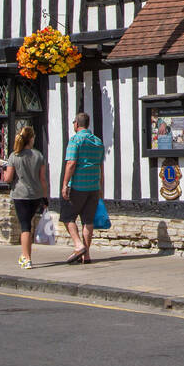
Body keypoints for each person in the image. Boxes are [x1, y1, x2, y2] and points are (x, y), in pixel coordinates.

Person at [1, 126, 48, 270]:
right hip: (35, 195)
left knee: (25, 226)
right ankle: (26, 255)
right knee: (28, 224)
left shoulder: (14, 156)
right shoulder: (38, 155)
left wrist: (3, 168)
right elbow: (42, 179)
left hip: (20, 195)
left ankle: (26, 258)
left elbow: (8, 178)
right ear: (31, 138)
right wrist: (45, 198)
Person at [60, 112, 104, 264]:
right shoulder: (98, 141)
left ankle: (78, 245)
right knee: (88, 220)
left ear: (77, 124)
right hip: (93, 186)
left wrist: (65, 184)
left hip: (78, 186)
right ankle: (87, 255)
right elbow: (100, 166)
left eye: (74, 123)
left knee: (67, 217)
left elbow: (71, 164)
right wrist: (100, 186)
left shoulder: (75, 140)